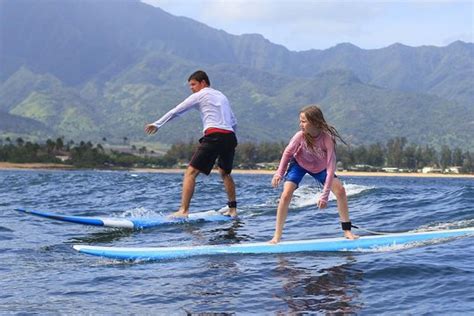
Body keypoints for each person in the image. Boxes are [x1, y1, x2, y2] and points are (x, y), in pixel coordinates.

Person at [144, 70, 238, 217]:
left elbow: (176, 111)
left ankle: (183, 210)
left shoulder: (200, 95)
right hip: (230, 137)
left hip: (214, 135)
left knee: (190, 173)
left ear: (203, 83)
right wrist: (230, 141)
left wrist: (157, 124)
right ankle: (233, 209)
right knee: (225, 173)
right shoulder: (222, 96)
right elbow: (233, 121)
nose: (191, 88)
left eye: (193, 84)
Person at [269, 105, 358, 244]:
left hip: (320, 168)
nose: (300, 124)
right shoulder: (299, 136)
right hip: (299, 164)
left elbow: (330, 168)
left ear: (315, 122)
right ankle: (277, 236)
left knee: (340, 191)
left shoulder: (327, 139)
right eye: (300, 121)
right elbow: (287, 153)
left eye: (304, 121)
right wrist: (279, 173)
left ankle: (347, 231)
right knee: (286, 195)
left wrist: (325, 195)